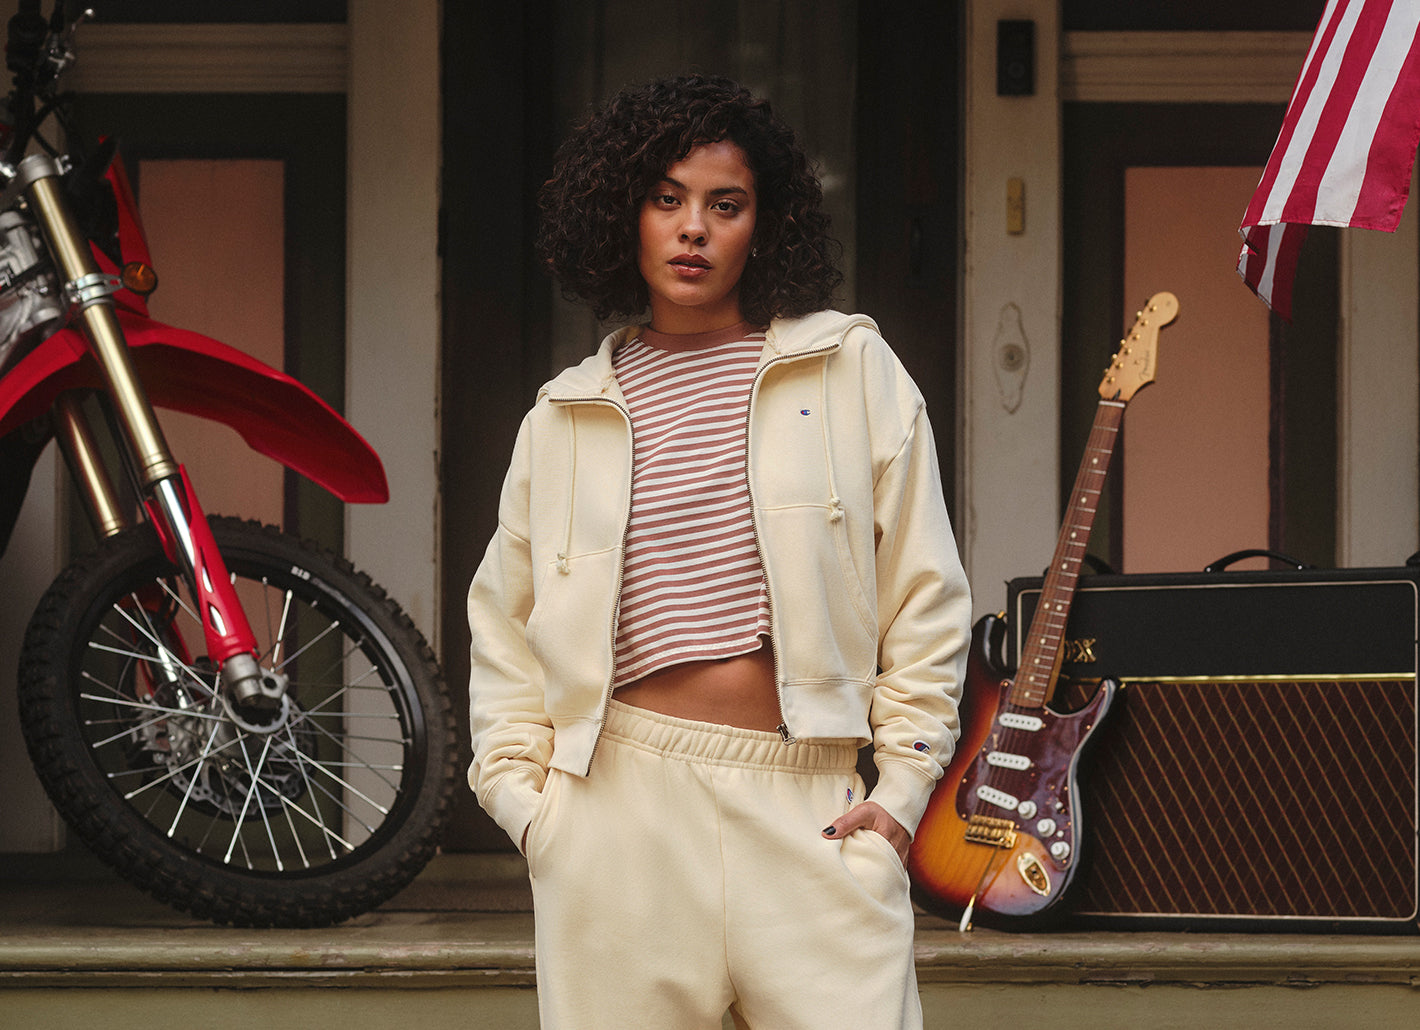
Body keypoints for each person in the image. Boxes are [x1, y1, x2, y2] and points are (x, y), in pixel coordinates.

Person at [467, 73, 971, 1030]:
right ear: (627, 217)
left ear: (763, 226)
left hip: (809, 806)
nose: (692, 228)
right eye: (667, 200)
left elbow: (925, 592)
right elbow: (504, 624)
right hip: (616, 808)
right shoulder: (565, 413)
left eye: (723, 205)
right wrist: (530, 810)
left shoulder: (849, 368)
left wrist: (902, 790)